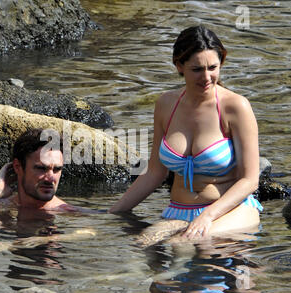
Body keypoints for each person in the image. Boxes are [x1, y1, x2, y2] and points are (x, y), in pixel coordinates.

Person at [109, 25, 263, 245]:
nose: (207, 77)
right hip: (179, 212)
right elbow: (155, 172)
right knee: (142, 245)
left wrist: (206, 217)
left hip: (230, 211)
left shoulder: (236, 107)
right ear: (179, 66)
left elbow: (249, 180)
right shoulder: (166, 104)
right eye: (197, 69)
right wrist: (112, 214)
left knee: (184, 243)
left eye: (213, 67)